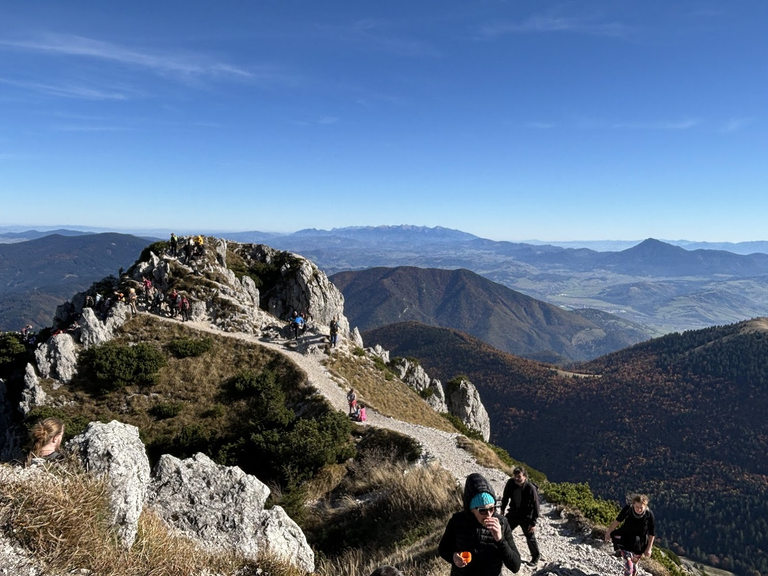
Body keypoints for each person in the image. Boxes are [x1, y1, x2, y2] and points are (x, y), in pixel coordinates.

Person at [438, 473, 521, 576]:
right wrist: (453, 557)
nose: (489, 514)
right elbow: (443, 549)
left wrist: (500, 540)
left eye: (492, 508)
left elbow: (515, 566)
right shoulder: (457, 521)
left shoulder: (502, 523)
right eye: (483, 511)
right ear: (472, 509)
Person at [605, 495, 656, 576]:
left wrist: (649, 548)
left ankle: (634, 571)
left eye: (641, 507)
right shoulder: (628, 509)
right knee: (629, 566)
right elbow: (618, 520)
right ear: (633, 504)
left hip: (639, 542)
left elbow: (652, 533)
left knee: (634, 564)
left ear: (645, 506)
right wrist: (609, 532)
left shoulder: (649, 515)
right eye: (637, 507)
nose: (639, 509)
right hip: (625, 538)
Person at [500, 466, 541, 566]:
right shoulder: (511, 483)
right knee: (503, 531)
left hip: (526, 516)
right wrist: (502, 509)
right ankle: (504, 553)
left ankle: (535, 557)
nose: (517, 479)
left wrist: (533, 522)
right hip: (514, 513)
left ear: (525, 477)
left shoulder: (530, 488)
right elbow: (505, 496)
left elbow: (536, 506)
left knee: (530, 537)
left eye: (519, 477)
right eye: (515, 477)